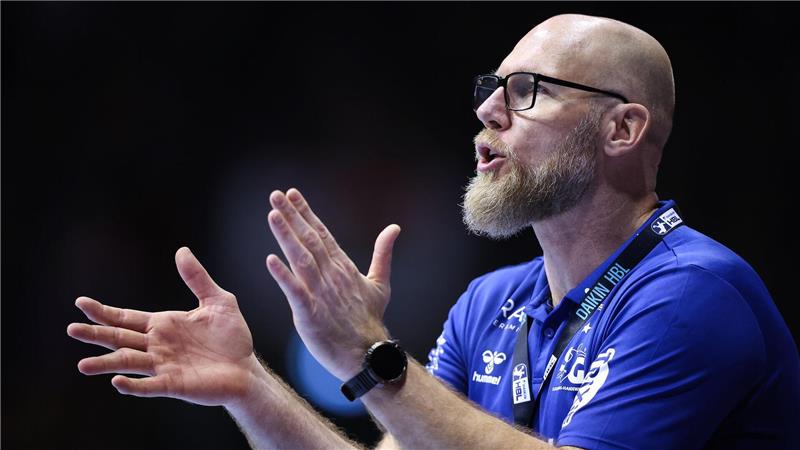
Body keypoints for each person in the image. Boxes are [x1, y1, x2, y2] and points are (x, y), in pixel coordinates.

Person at [67, 14, 799, 449]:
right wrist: (252, 389)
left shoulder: (694, 293)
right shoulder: (491, 303)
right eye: (490, 90)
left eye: (528, 92)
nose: (488, 112)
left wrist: (370, 355)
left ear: (623, 128)